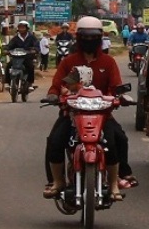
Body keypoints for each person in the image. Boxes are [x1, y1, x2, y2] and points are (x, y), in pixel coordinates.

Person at [42, 16, 132, 201]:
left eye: (93, 36)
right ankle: (57, 181)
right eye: (85, 36)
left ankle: (115, 183)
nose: (89, 40)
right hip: (72, 114)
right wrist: (53, 95)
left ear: (100, 37)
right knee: (55, 141)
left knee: (118, 140)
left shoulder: (108, 62)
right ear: (79, 37)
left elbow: (116, 87)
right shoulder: (69, 62)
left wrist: (119, 98)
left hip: (102, 114)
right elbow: (57, 85)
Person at [6, 20, 39, 87]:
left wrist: (34, 50)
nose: (21, 29)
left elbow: (36, 45)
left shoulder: (31, 37)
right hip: (16, 57)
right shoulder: (16, 38)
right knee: (8, 65)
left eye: (23, 27)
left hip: (27, 57)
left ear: (27, 28)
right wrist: (6, 50)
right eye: (20, 27)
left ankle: (30, 82)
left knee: (30, 66)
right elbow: (10, 45)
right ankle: (8, 82)